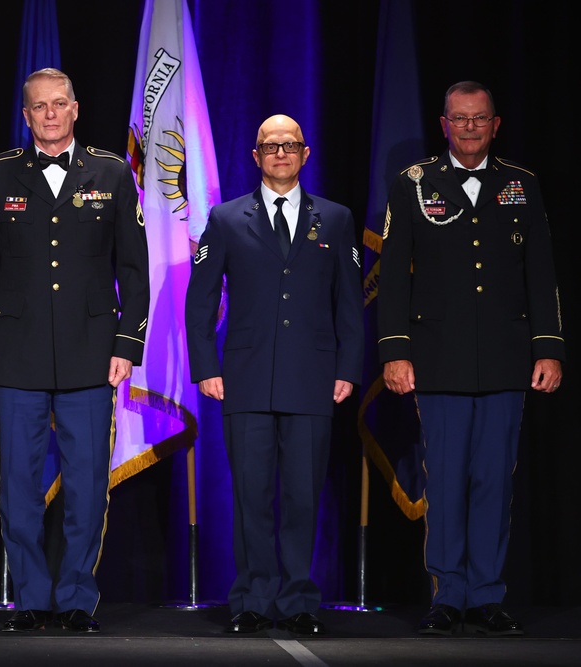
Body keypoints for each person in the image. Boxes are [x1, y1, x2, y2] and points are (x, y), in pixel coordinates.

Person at [0, 68, 149, 634]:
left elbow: (134, 269)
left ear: (75, 109)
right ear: (26, 115)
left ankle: (75, 597)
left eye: (59, 103)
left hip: (91, 354)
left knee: (89, 484)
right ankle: (31, 598)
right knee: (18, 484)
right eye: (39, 106)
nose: (49, 113)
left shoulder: (113, 172)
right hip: (15, 354)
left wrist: (127, 344)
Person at [378, 81, 565, 637]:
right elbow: (391, 281)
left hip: (507, 359)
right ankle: (448, 595)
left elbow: (541, 275)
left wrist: (549, 348)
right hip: (438, 360)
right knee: (448, 481)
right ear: (444, 124)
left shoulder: (522, 185)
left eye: (478, 119)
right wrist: (395, 352)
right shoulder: (413, 184)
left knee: (493, 480)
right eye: (459, 119)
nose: (469, 128)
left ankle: (486, 594)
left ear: (495, 124)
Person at [185, 114, 363, 636]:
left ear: (305, 154)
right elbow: (200, 304)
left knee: (304, 496)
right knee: (252, 495)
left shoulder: (335, 219)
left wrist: (348, 368)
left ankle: (300, 599)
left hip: (313, 377)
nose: (281, 153)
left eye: (290, 145)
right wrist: (206, 369)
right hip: (244, 376)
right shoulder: (224, 219)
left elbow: (349, 303)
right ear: (256, 156)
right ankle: (253, 599)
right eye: (270, 145)